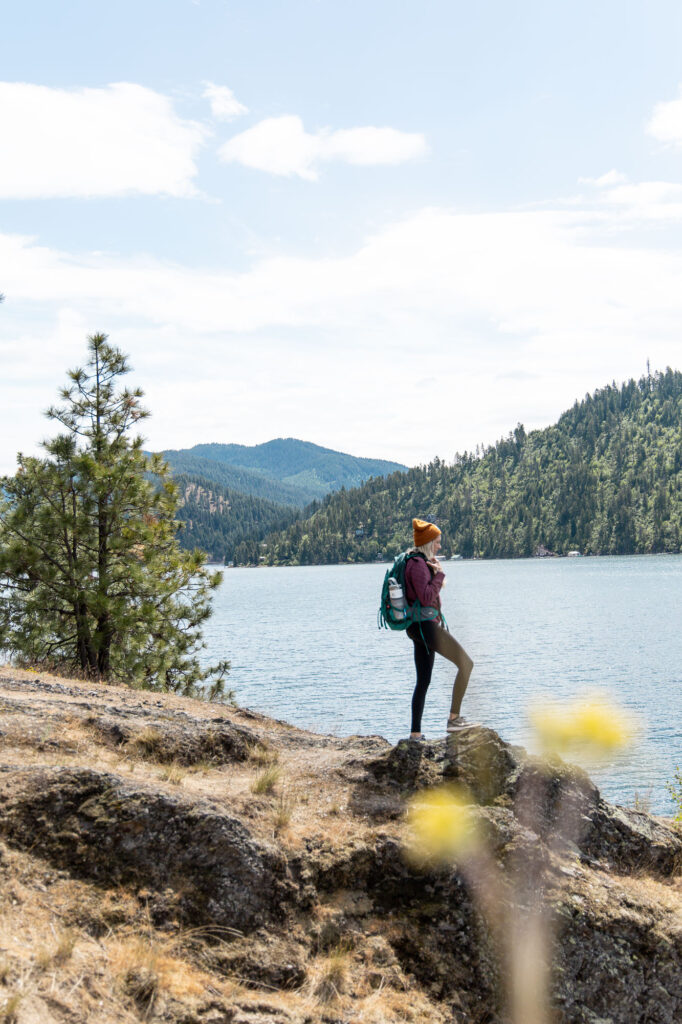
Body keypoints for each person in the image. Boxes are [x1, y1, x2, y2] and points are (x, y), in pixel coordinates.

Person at [404, 518, 476, 740]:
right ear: (427, 543)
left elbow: (425, 593)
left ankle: (415, 735)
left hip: (419, 627)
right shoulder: (416, 565)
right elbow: (426, 598)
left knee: (423, 681)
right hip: (426, 627)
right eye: (437, 541)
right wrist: (440, 575)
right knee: (466, 663)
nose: (440, 546)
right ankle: (454, 720)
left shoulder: (418, 563)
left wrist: (435, 574)